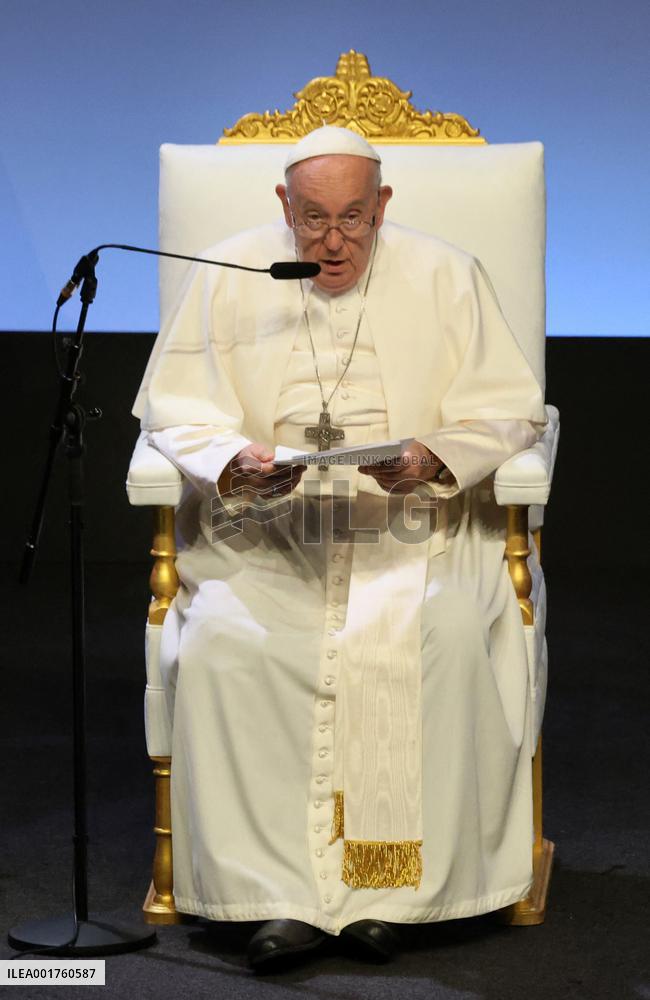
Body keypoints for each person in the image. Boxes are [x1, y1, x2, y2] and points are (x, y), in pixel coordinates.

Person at [132, 126, 548, 972]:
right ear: (283, 206)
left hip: (412, 531)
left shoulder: (447, 275)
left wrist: (435, 457)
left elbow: (510, 408)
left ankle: (388, 894)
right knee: (230, 646)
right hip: (268, 534)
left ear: (382, 207)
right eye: (314, 218)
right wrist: (233, 462)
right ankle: (274, 895)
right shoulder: (229, 273)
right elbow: (175, 411)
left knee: (435, 635)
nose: (332, 241)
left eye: (354, 219)